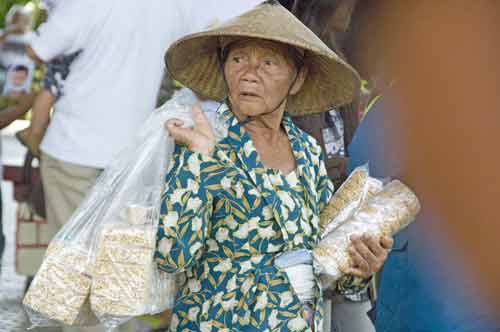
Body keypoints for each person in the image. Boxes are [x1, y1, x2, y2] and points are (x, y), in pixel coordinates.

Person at [23, 0, 261, 331]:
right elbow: (191, 65)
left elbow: (39, 50)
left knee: (74, 271)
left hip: (73, 150)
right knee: (121, 275)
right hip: (134, 157)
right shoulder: (169, 7)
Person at [155, 2, 393, 331]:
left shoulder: (308, 153)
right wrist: (199, 160)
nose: (249, 73)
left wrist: (358, 267)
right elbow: (172, 257)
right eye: (238, 59)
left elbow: (324, 264)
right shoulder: (205, 143)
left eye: (268, 62)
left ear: (298, 79)